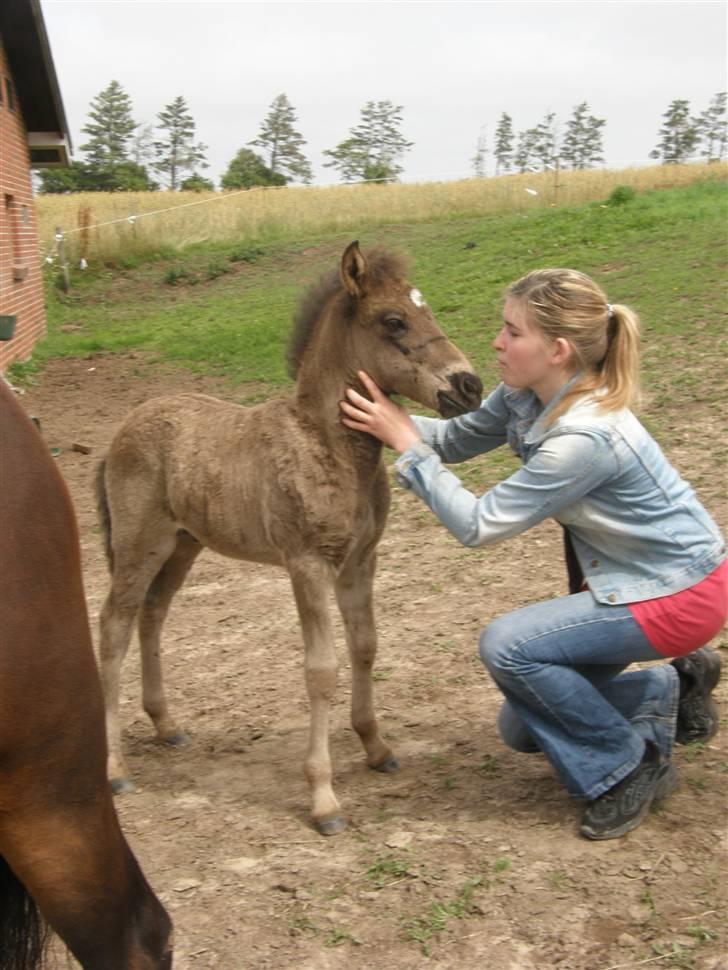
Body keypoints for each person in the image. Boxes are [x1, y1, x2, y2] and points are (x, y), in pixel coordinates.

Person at [339, 268, 726, 841]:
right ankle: (671, 686)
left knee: (508, 646)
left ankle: (628, 767)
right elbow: (454, 439)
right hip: (638, 583)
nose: (495, 342)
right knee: (521, 727)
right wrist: (374, 419)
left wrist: (406, 446)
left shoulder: (584, 438)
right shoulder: (525, 394)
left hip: (680, 593)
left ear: (557, 350)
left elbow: (478, 524)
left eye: (511, 331)